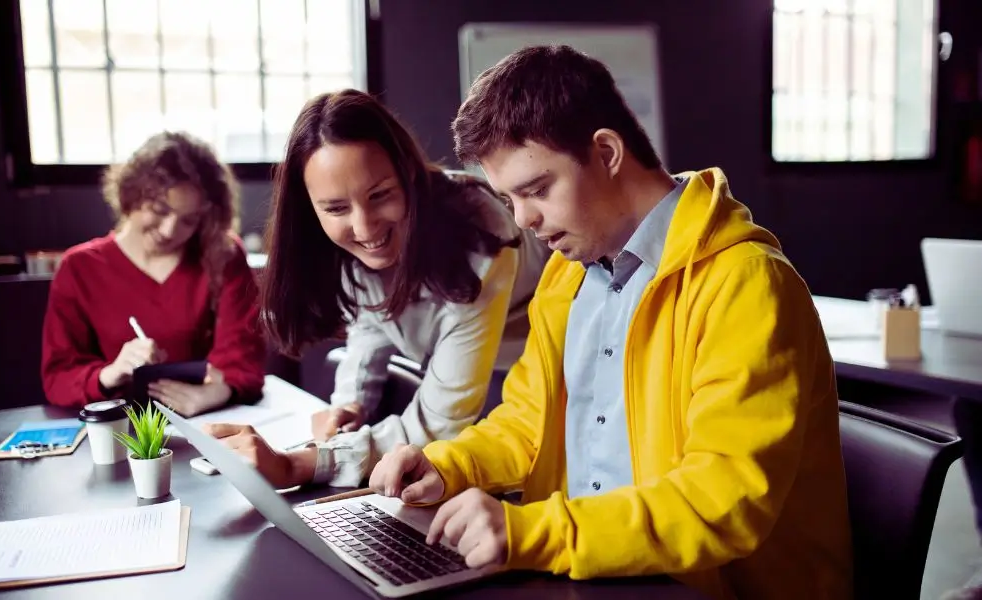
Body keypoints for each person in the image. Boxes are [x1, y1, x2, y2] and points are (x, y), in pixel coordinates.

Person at [368, 45, 854, 599]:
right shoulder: (566, 276)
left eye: (536, 189)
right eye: (509, 197)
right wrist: (448, 465)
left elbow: (724, 499)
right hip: (594, 574)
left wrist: (534, 531)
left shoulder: (746, 284)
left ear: (606, 151)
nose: (523, 220)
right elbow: (529, 420)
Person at [205, 89, 549, 490]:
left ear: (409, 176)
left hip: (535, 369)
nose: (365, 229)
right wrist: (349, 403)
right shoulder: (346, 250)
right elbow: (370, 324)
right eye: (336, 209)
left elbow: (440, 422)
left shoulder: (481, 233)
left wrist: (302, 463)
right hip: (470, 378)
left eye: (380, 195)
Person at [41, 131, 266, 416]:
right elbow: (58, 377)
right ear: (131, 194)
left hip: (206, 421)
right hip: (116, 427)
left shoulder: (223, 254)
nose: (169, 230)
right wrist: (110, 373)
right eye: (159, 210)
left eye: (189, 220)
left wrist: (216, 392)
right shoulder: (78, 268)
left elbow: (243, 356)